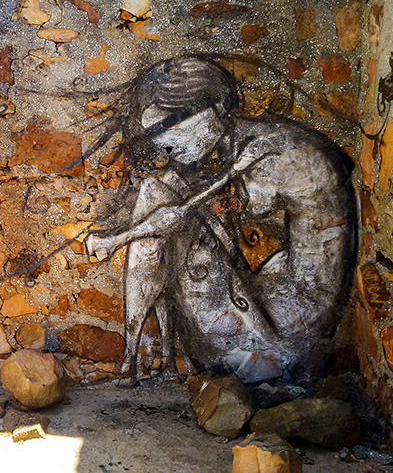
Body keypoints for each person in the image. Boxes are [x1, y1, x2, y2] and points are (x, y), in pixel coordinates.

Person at [86, 57, 355, 383]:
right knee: (160, 193)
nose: (163, 145)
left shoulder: (276, 155)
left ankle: (135, 355)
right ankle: (142, 355)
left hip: (281, 333)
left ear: (214, 107)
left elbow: (242, 208)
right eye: (154, 133)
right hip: (271, 311)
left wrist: (122, 237)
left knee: (156, 194)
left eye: (168, 125)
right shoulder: (245, 146)